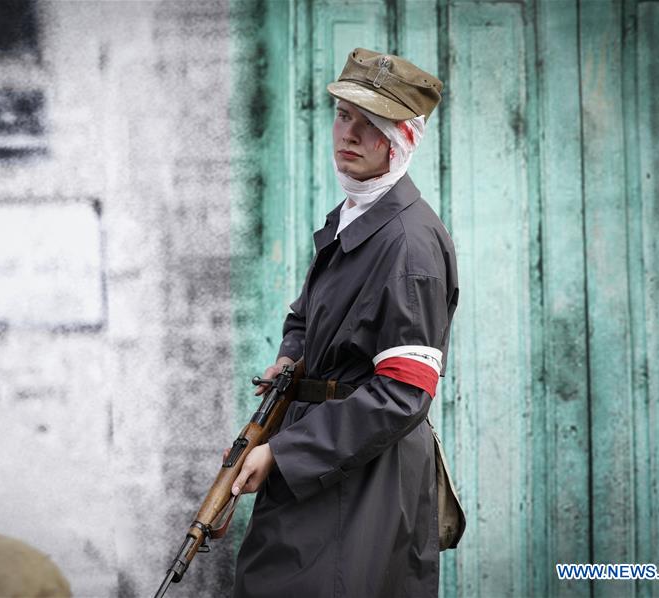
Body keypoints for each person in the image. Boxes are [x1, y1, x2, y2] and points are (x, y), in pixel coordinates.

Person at [230, 48, 458, 598]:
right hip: (322, 459)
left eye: (370, 123)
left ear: (400, 138)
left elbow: (403, 394)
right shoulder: (355, 216)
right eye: (343, 115)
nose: (348, 134)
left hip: (364, 480)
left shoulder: (408, 244)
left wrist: (283, 453)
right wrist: (291, 356)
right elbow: (306, 315)